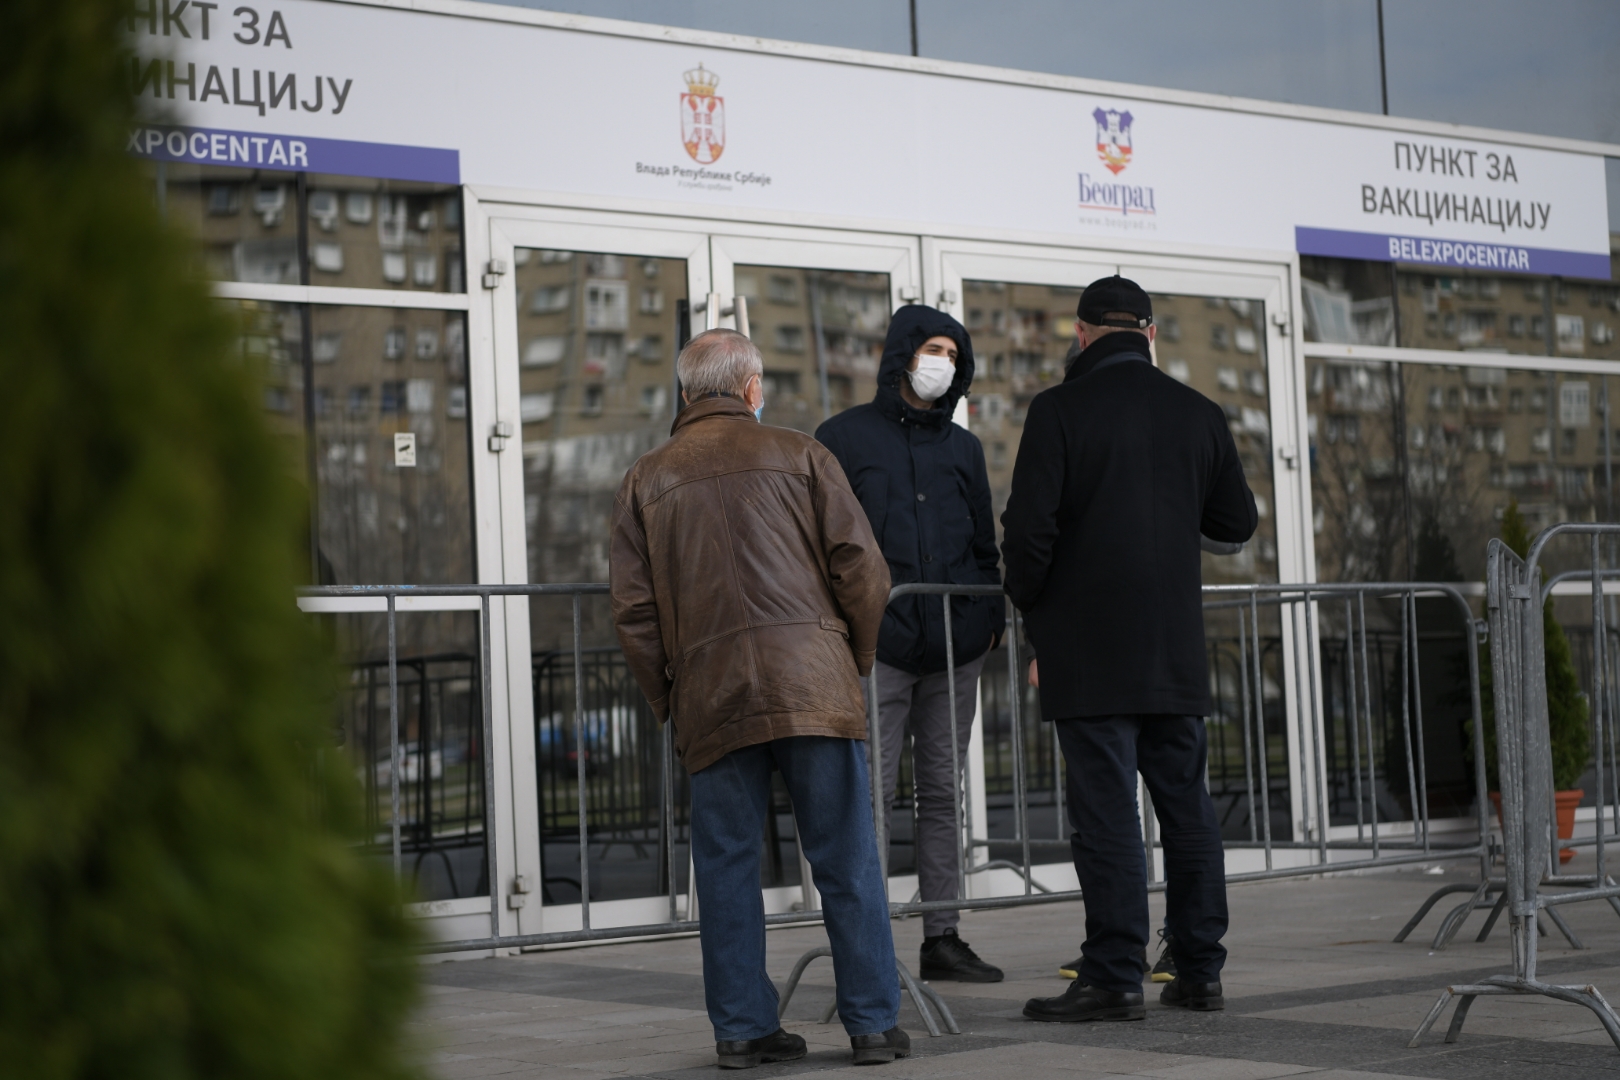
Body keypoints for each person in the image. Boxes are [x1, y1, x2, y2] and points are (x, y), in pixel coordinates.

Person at [610, 328, 911, 1069]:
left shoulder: (646, 478)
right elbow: (863, 570)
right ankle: (872, 1024)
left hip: (711, 692)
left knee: (725, 865)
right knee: (845, 856)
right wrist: (854, 658)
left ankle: (743, 1029)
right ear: (750, 389)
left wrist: (667, 698)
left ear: (687, 393)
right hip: (813, 679)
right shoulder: (803, 453)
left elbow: (635, 612)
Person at [1002, 276, 1257, 1023]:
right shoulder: (1198, 412)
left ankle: (1114, 974)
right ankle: (1200, 969)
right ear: (1149, 335)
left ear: (1081, 335)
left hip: (1088, 650)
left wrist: (1033, 613)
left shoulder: (1057, 410)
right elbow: (1236, 521)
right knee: (1187, 809)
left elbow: (1029, 535)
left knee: (1107, 813)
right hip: (1173, 647)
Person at [816, 305, 1006, 984]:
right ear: (901, 354)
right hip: (878, 650)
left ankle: (942, 936)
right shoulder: (840, 439)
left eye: (954, 355)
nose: (942, 365)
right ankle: (867, 947)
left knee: (942, 793)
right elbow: (822, 548)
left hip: (957, 651)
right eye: (933, 350)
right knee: (869, 798)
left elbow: (986, 547)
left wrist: (989, 625)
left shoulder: (966, 449)